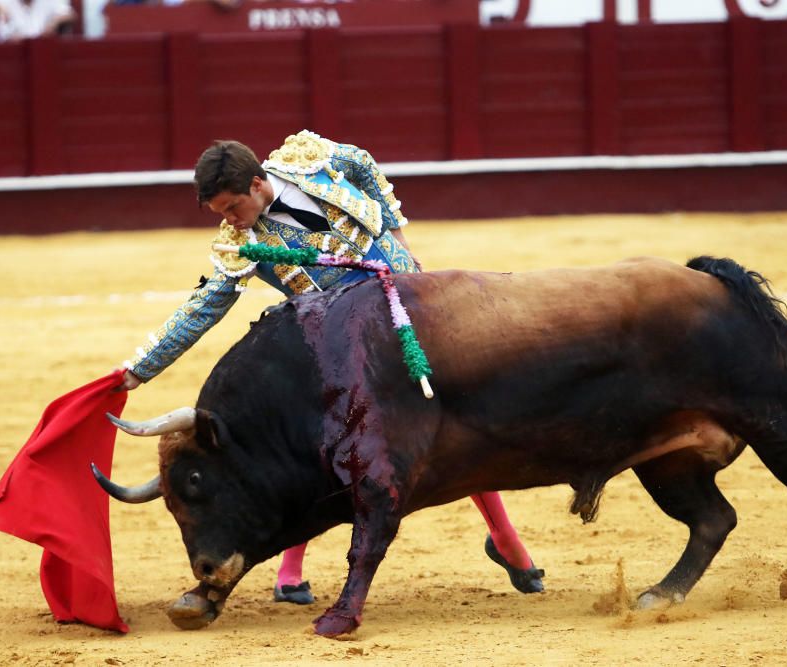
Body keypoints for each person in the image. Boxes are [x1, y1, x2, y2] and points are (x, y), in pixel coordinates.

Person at [118, 130, 544, 605]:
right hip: (347, 353)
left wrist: (397, 230)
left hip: (414, 308)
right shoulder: (242, 246)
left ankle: (505, 539)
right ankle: (291, 571)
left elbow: (362, 161)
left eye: (232, 208)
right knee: (324, 450)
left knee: (455, 419)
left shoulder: (309, 161)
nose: (231, 222)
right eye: (221, 215)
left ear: (258, 185)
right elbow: (202, 308)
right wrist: (139, 369)